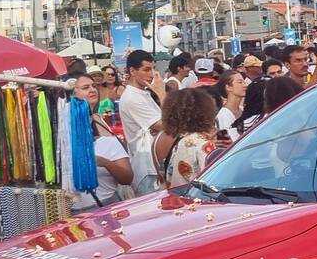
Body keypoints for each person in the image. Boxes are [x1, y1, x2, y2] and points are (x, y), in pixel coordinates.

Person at [71, 73, 133, 211]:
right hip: (73, 211)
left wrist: (105, 163)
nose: (93, 90)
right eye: (86, 87)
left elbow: (127, 178)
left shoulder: (102, 128)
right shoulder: (63, 138)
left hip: (107, 206)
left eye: (94, 86)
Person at [118, 50, 166, 196]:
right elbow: (164, 125)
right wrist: (162, 93)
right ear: (132, 71)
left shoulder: (143, 93)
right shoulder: (132, 97)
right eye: (146, 69)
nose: (151, 74)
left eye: (153, 69)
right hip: (147, 168)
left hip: (154, 165)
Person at [152, 88, 220, 189]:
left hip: (170, 199)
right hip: (197, 201)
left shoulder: (160, 137)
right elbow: (218, 181)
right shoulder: (201, 144)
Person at [213, 71, 248, 142]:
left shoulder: (243, 110)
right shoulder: (223, 115)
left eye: (244, 82)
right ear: (228, 87)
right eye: (240, 82)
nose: (245, 85)